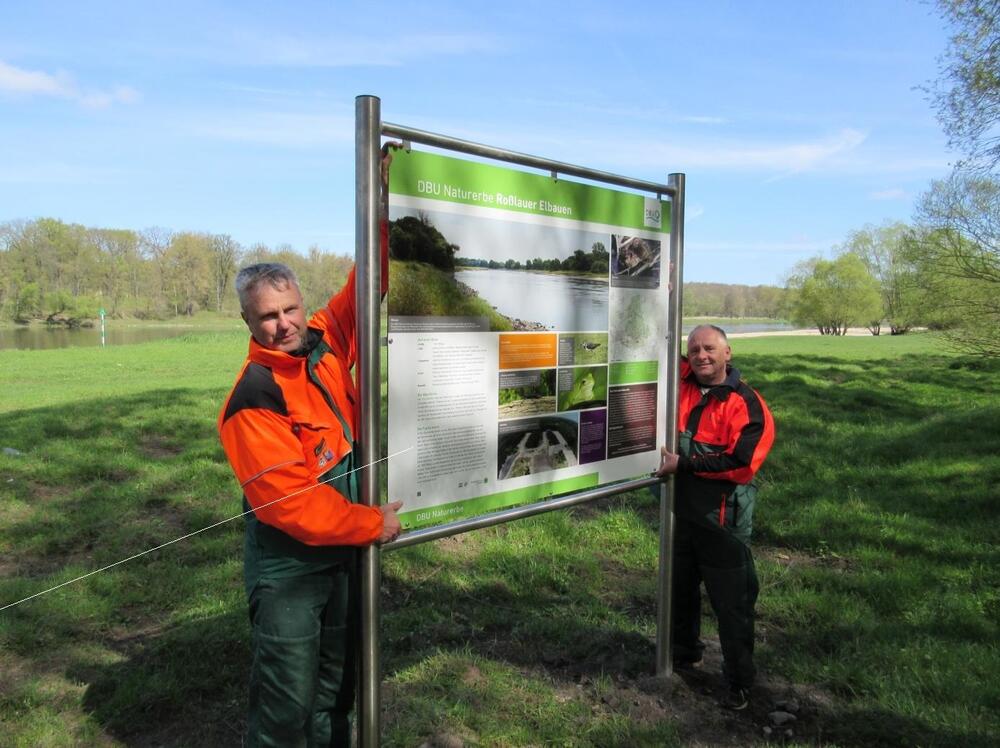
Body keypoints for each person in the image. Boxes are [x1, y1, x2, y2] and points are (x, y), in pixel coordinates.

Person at [218, 146, 401, 746]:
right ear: (249, 323)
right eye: (267, 316)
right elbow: (293, 505)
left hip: (343, 551)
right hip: (291, 567)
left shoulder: (325, 341)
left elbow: (367, 280)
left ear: (302, 303)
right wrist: (372, 524)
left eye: (290, 308)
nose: (284, 324)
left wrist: (380, 201)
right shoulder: (254, 398)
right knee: (287, 705)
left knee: (335, 689)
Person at [656, 324, 775, 711]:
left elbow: (741, 462)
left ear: (728, 354)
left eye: (710, 348)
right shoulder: (683, 381)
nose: (701, 356)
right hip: (680, 512)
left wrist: (684, 463)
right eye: (695, 350)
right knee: (679, 589)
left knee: (733, 603)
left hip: (723, 519)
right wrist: (662, 288)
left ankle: (739, 682)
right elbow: (655, 345)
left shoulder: (746, 404)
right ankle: (685, 654)